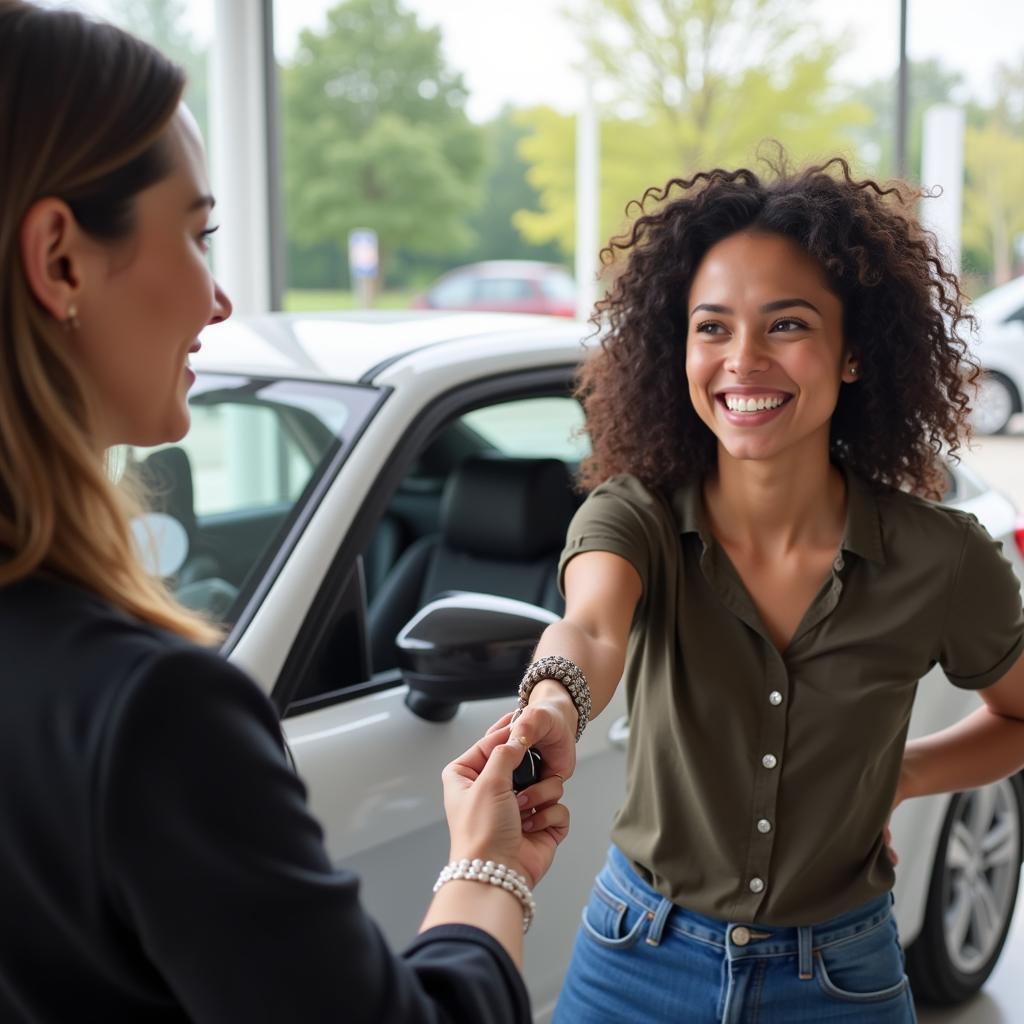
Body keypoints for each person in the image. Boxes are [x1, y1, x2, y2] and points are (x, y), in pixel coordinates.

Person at [0, 3, 568, 1020]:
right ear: (59, 259)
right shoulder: (152, 716)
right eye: (196, 232)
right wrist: (489, 870)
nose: (219, 300)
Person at [499, 158, 1024, 1022]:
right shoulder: (635, 519)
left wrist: (900, 774)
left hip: (842, 978)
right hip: (635, 958)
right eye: (712, 327)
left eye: (786, 324)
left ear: (854, 352)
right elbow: (589, 626)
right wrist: (551, 706)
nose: (743, 360)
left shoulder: (943, 559)